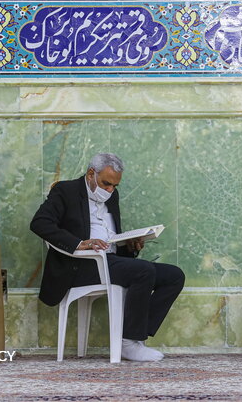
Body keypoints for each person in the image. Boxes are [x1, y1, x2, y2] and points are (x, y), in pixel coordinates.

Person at [30, 153, 185, 362]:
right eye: (106, 184)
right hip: (81, 265)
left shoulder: (112, 196)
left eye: (114, 186)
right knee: (143, 271)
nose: (110, 190)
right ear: (91, 174)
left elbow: (112, 238)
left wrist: (131, 246)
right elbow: (40, 223)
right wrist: (80, 243)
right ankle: (128, 342)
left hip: (110, 261)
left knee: (174, 275)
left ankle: (136, 338)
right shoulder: (66, 191)